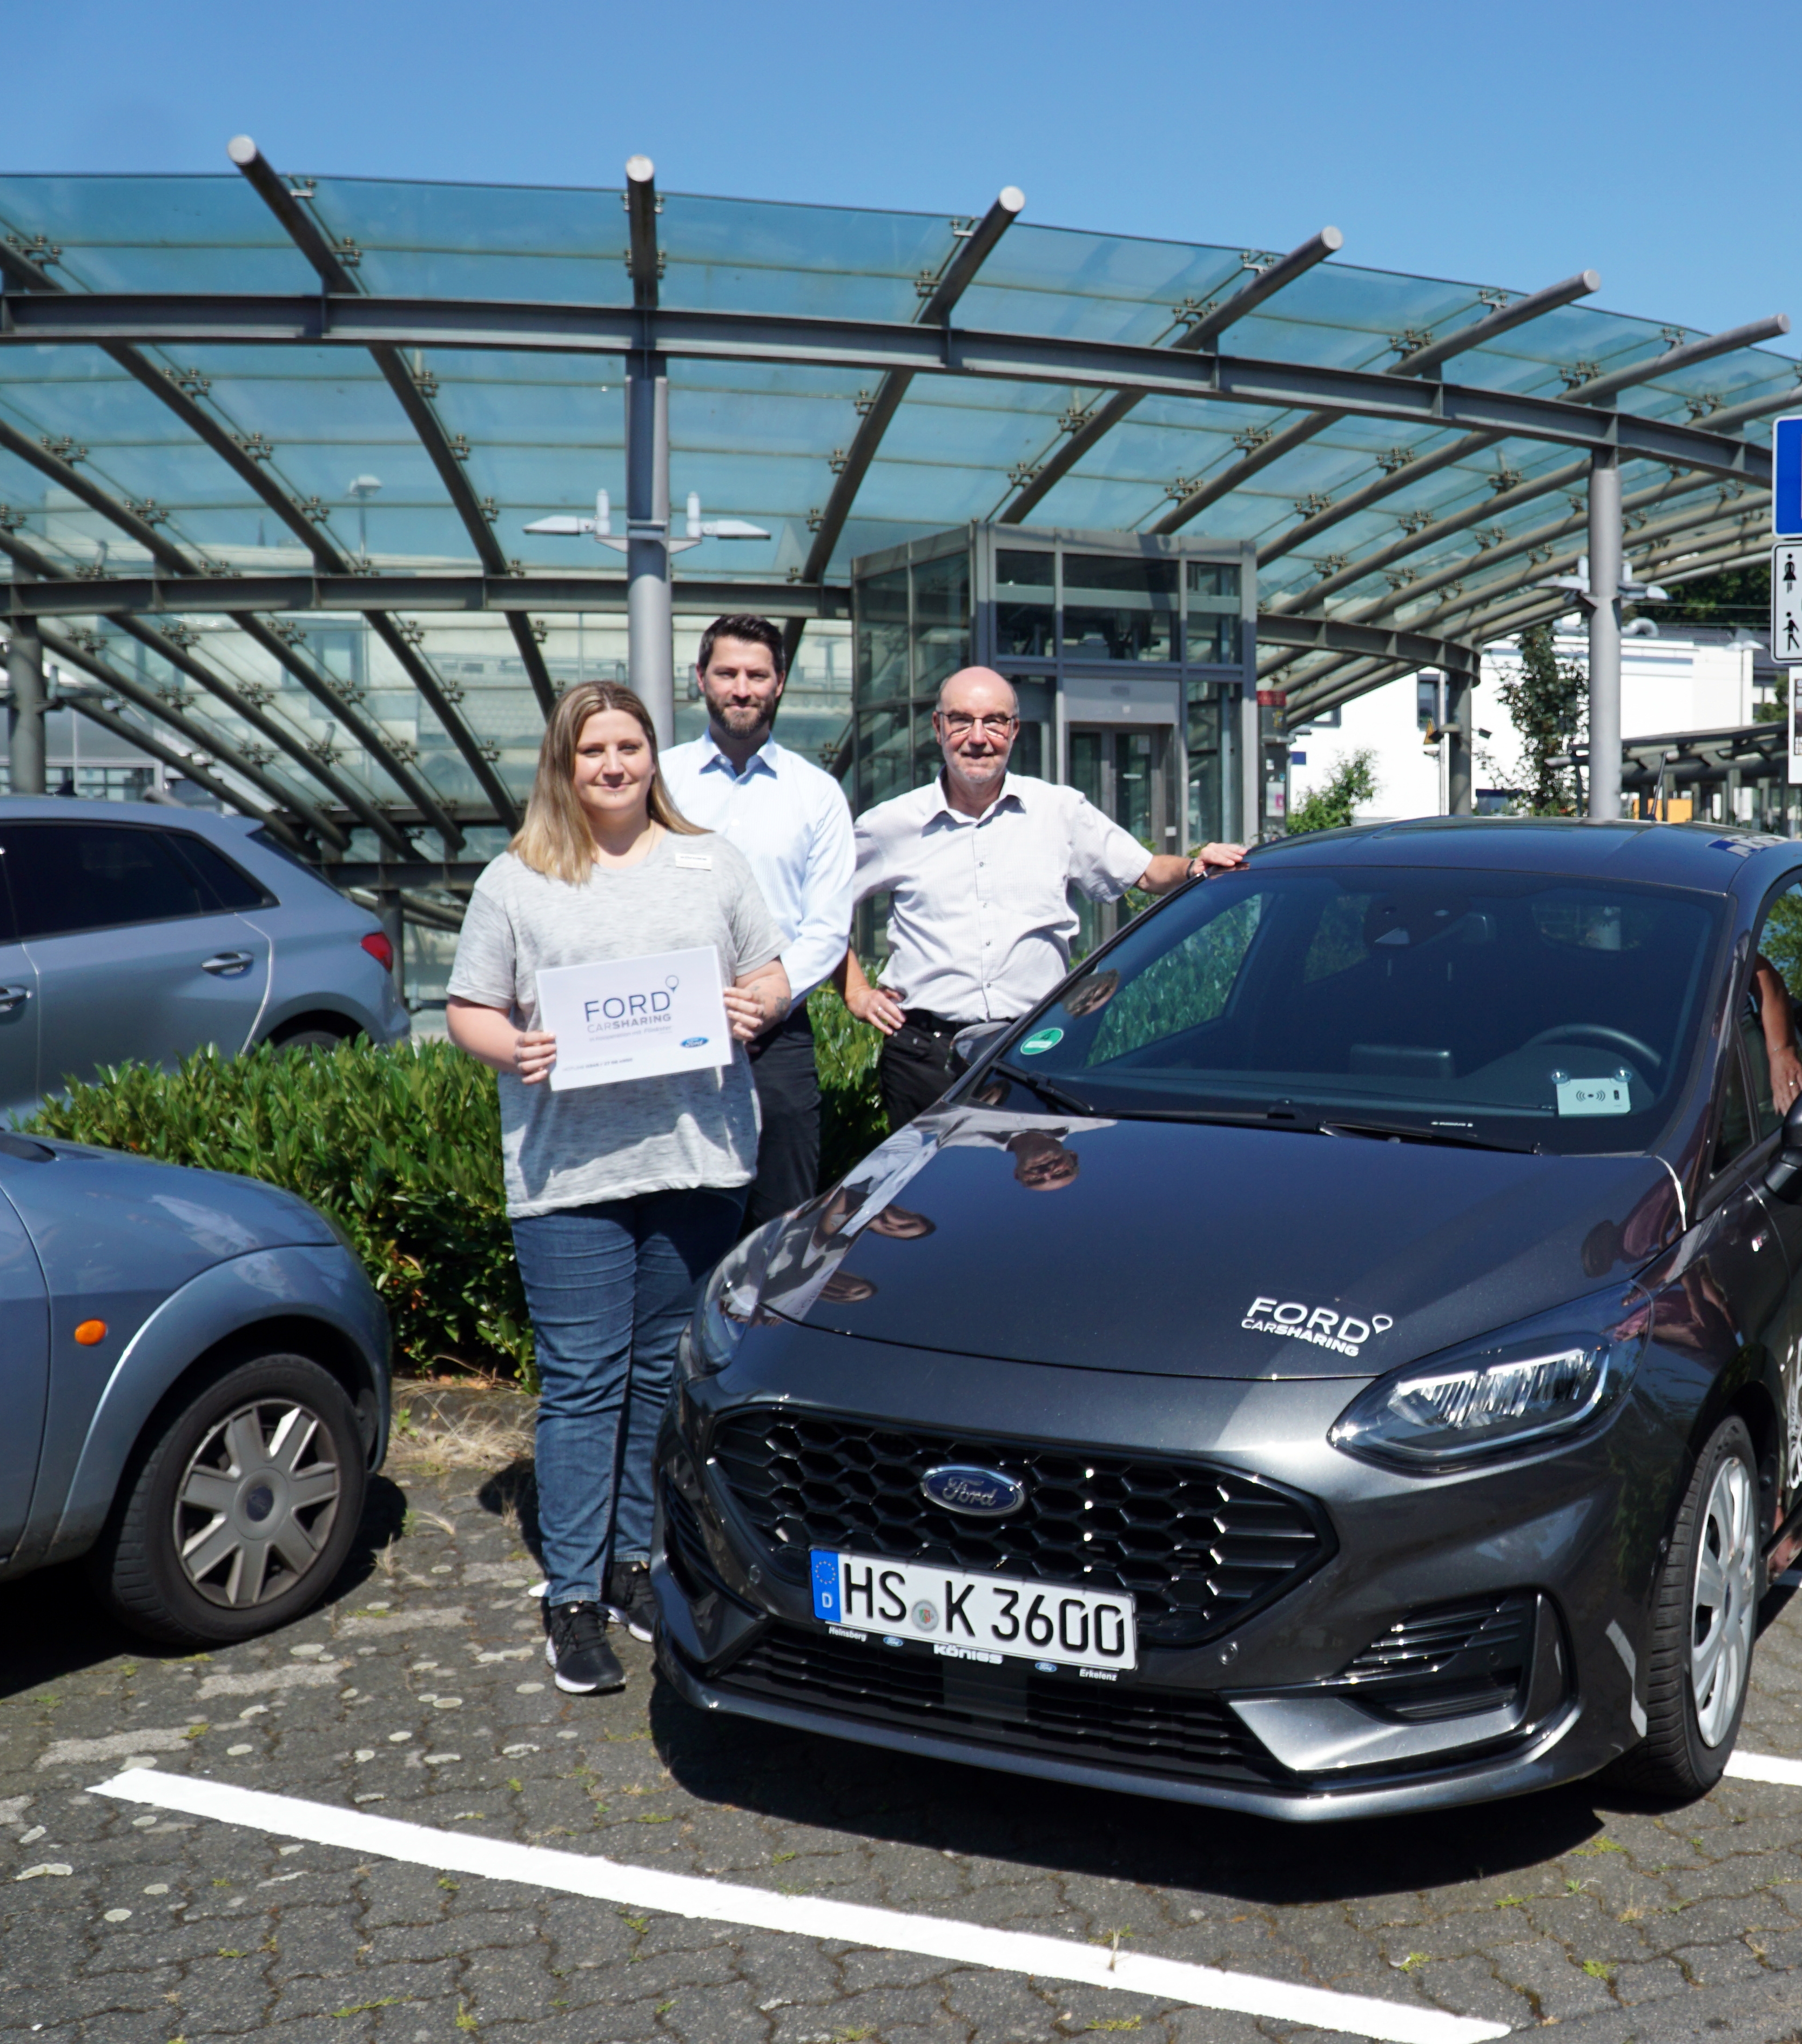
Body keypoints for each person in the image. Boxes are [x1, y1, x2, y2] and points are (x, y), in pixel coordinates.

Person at [446, 680, 790, 1698]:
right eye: (593, 748)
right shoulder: (518, 878)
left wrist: (752, 1005)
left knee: (654, 1375)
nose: (613, 764)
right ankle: (573, 1596)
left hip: (697, 1157)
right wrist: (519, 1045)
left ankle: (636, 1563)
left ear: (653, 756)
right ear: (564, 761)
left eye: (629, 745)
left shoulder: (710, 862)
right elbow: (468, 1008)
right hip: (572, 1172)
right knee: (585, 1380)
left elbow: (769, 976)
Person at [845, 666, 1247, 1126]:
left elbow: (1147, 872)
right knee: (932, 1196)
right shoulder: (890, 824)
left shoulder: (1059, 811)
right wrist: (855, 991)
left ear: (1014, 731)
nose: (978, 737)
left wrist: (1195, 864)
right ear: (938, 728)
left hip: (1033, 1049)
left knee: (1033, 1194)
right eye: (961, 720)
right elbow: (822, 909)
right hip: (924, 1056)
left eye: (994, 721)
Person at [660, 614, 856, 1226]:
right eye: (726, 673)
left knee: (783, 1223)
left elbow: (827, 925)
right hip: (669, 1028)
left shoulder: (817, 792)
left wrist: (766, 1000)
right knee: (679, 1217)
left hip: (778, 1035)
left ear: (779, 683)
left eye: (756, 674)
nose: (741, 688)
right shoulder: (656, 782)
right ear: (700, 679)